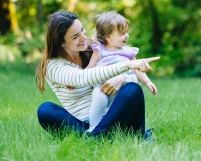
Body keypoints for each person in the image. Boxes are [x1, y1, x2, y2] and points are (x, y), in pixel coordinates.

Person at [35, 10, 159, 139]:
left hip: (115, 117)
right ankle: (97, 135)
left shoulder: (95, 48)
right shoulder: (53, 66)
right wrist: (126, 66)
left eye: (82, 30)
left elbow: (132, 73)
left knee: (133, 89)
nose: (83, 37)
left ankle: (97, 137)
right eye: (75, 36)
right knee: (45, 110)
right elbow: (83, 77)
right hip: (85, 125)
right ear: (60, 42)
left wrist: (122, 77)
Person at [85, 11, 157, 132]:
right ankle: (94, 129)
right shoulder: (100, 50)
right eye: (122, 33)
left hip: (121, 89)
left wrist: (147, 82)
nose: (127, 36)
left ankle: (115, 129)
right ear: (108, 37)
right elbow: (89, 68)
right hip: (101, 86)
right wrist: (77, 80)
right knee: (99, 101)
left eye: (127, 32)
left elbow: (137, 69)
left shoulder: (128, 51)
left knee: (117, 108)